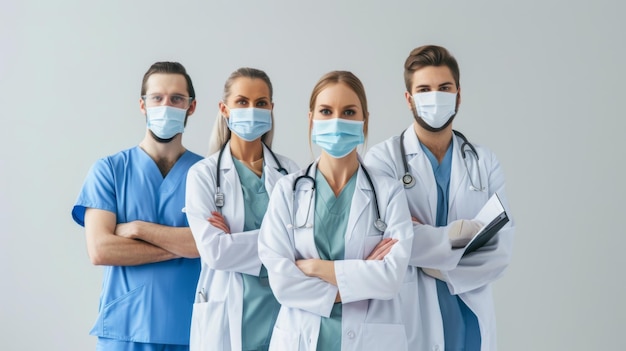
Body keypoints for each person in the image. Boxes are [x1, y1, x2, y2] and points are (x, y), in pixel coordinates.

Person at [364, 45, 515, 351]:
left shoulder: (484, 163)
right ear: (409, 99)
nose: (435, 97)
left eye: (444, 88)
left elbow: (500, 251)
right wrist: (466, 236)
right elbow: (383, 242)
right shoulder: (382, 160)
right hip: (409, 317)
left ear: (459, 95)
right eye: (424, 89)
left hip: (470, 319)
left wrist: (419, 247)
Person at [258, 71, 414, 351]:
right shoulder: (287, 190)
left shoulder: (388, 192)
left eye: (349, 112)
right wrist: (363, 278)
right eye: (326, 111)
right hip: (301, 337)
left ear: (364, 121)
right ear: (311, 120)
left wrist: (317, 269)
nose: (337, 121)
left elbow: (391, 280)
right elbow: (282, 284)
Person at [71, 62, 203, 351]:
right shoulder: (110, 170)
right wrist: (183, 246)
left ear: (191, 107)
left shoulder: (208, 174)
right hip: (125, 329)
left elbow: (215, 245)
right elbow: (101, 250)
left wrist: (138, 229)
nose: (166, 106)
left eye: (176, 99)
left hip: (192, 330)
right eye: (157, 98)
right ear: (142, 105)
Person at [184, 67, 299, 351]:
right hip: (227, 309)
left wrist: (235, 239)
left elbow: (305, 245)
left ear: (271, 108)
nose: (252, 110)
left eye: (261, 103)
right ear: (224, 109)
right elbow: (215, 252)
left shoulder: (292, 173)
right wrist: (280, 241)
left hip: (282, 307)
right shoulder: (203, 175)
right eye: (242, 102)